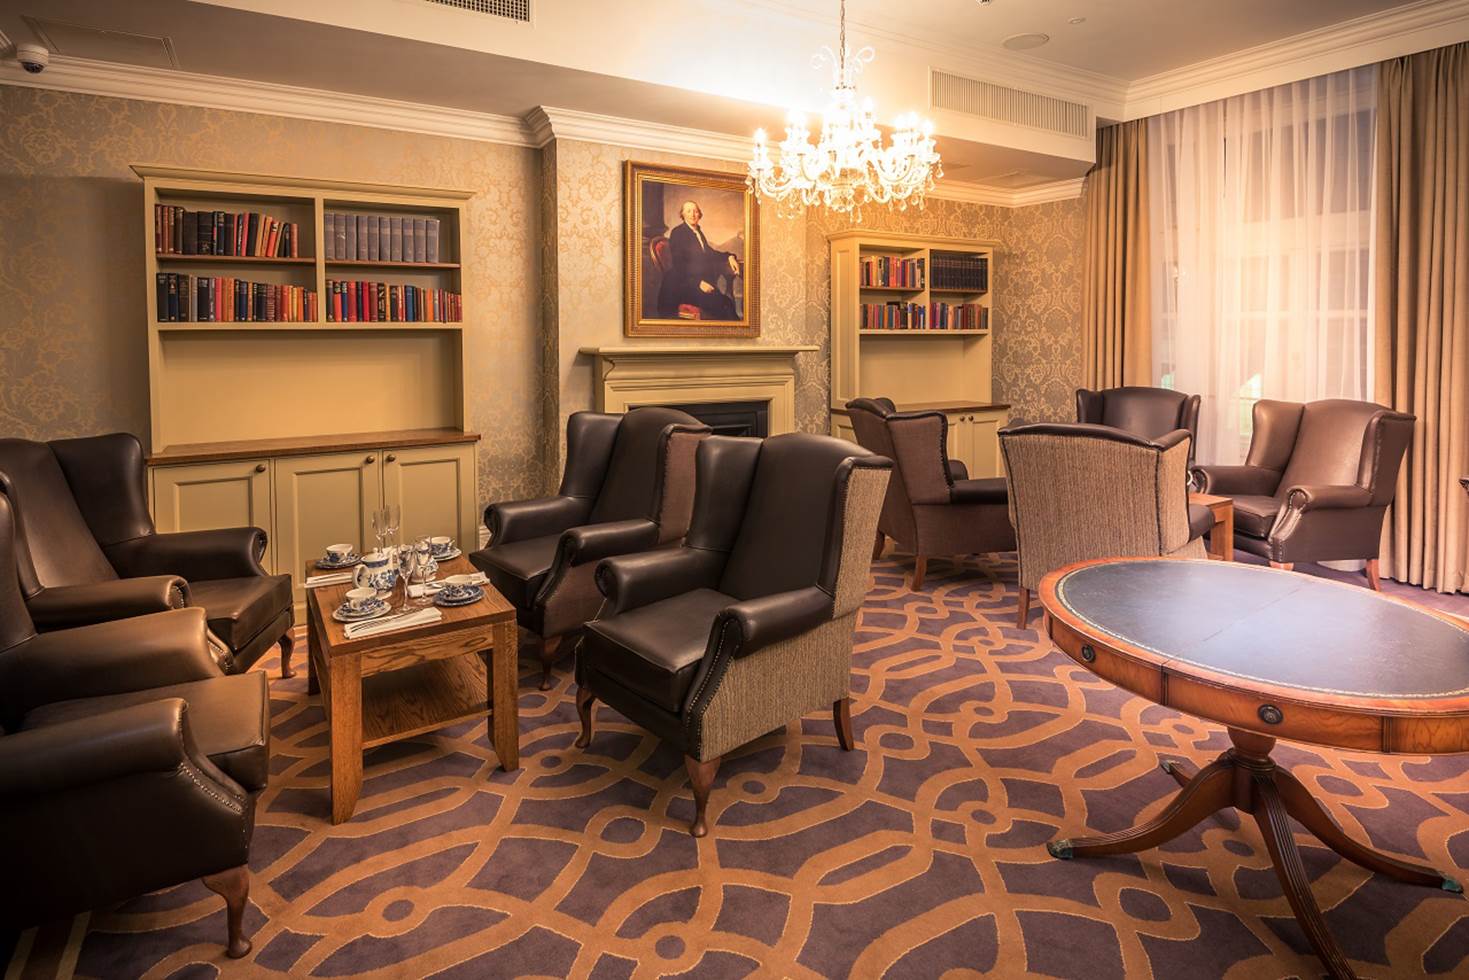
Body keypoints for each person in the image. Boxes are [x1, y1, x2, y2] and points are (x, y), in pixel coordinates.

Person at [657, 200, 741, 319]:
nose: (692, 214)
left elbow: (709, 253)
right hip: (682, 285)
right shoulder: (678, 232)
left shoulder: (697, 232)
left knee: (726, 303)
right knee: (723, 305)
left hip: (697, 283)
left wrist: (729, 256)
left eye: (695, 211)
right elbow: (679, 265)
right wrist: (698, 283)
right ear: (683, 214)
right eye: (688, 211)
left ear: (699, 215)